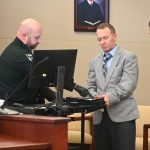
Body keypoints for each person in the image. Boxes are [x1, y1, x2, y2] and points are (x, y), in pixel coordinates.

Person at [0, 18, 89, 105]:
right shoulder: (16, 53)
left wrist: (56, 98)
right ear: (23, 35)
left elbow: (37, 82)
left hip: (24, 105)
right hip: (14, 109)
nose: (39, 41)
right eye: (36, 37)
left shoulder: (22, 50)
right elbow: (42, 74)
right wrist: (75, 86)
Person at [87, 23, 139, 150]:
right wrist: (96, 98)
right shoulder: (94, 61)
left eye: (106, 38)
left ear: (115, 36)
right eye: (99, 39)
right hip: (100, 117)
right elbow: (90, 86)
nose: (102, 42)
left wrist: (108, 97)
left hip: (123, 117)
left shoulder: (129, 57)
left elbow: (128, 84)